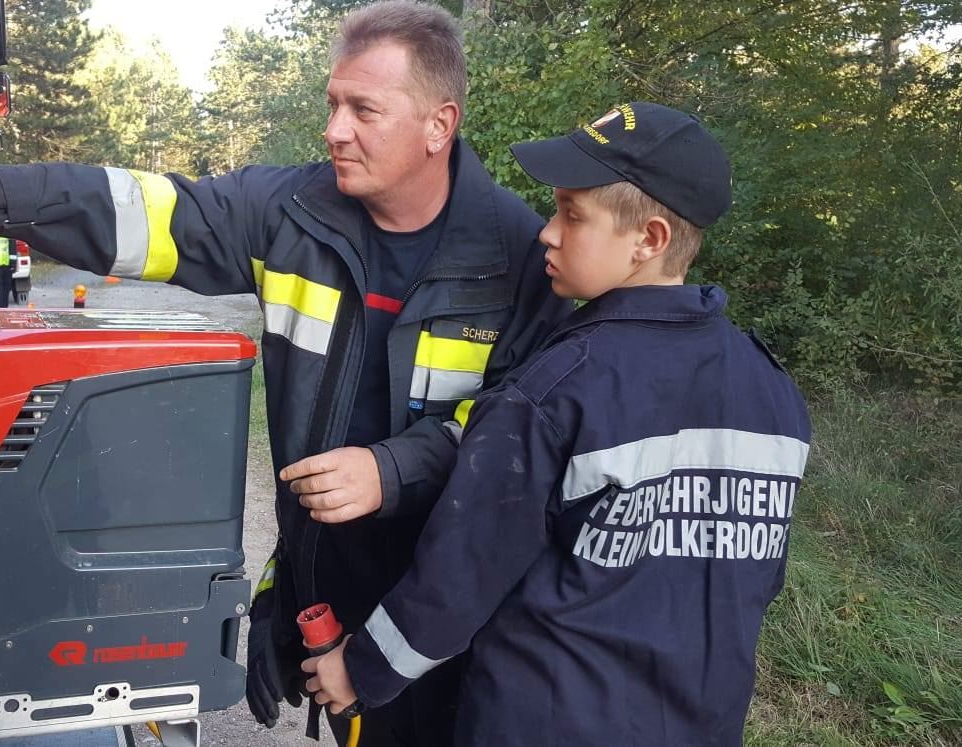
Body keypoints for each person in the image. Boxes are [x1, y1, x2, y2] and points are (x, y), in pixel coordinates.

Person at [0, 2, 571, 744]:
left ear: (440, 125)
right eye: (333, 103)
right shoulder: (292, 211)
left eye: (364, 111)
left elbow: (524, 426)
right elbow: (134, 207)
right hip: (327, 586)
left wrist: (393, 469)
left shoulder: (519, 258)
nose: (334, 130)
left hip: (446, 610)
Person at [302, 102, 812, 746]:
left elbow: (461, 573)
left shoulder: (555, 390)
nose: (546, 232)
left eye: (572, 215)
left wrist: (360, 669)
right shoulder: (772, 392)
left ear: (648, 240)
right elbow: (753, 580)